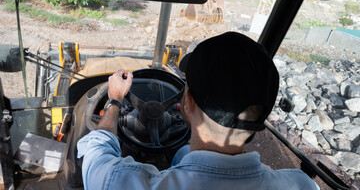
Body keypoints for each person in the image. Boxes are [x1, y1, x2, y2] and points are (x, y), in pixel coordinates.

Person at [77, 32, 319, 190]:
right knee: (183, 152)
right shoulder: (301, 185)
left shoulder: (121, 182)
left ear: (188, 101)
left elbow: (95, 158)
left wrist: (115, 100)